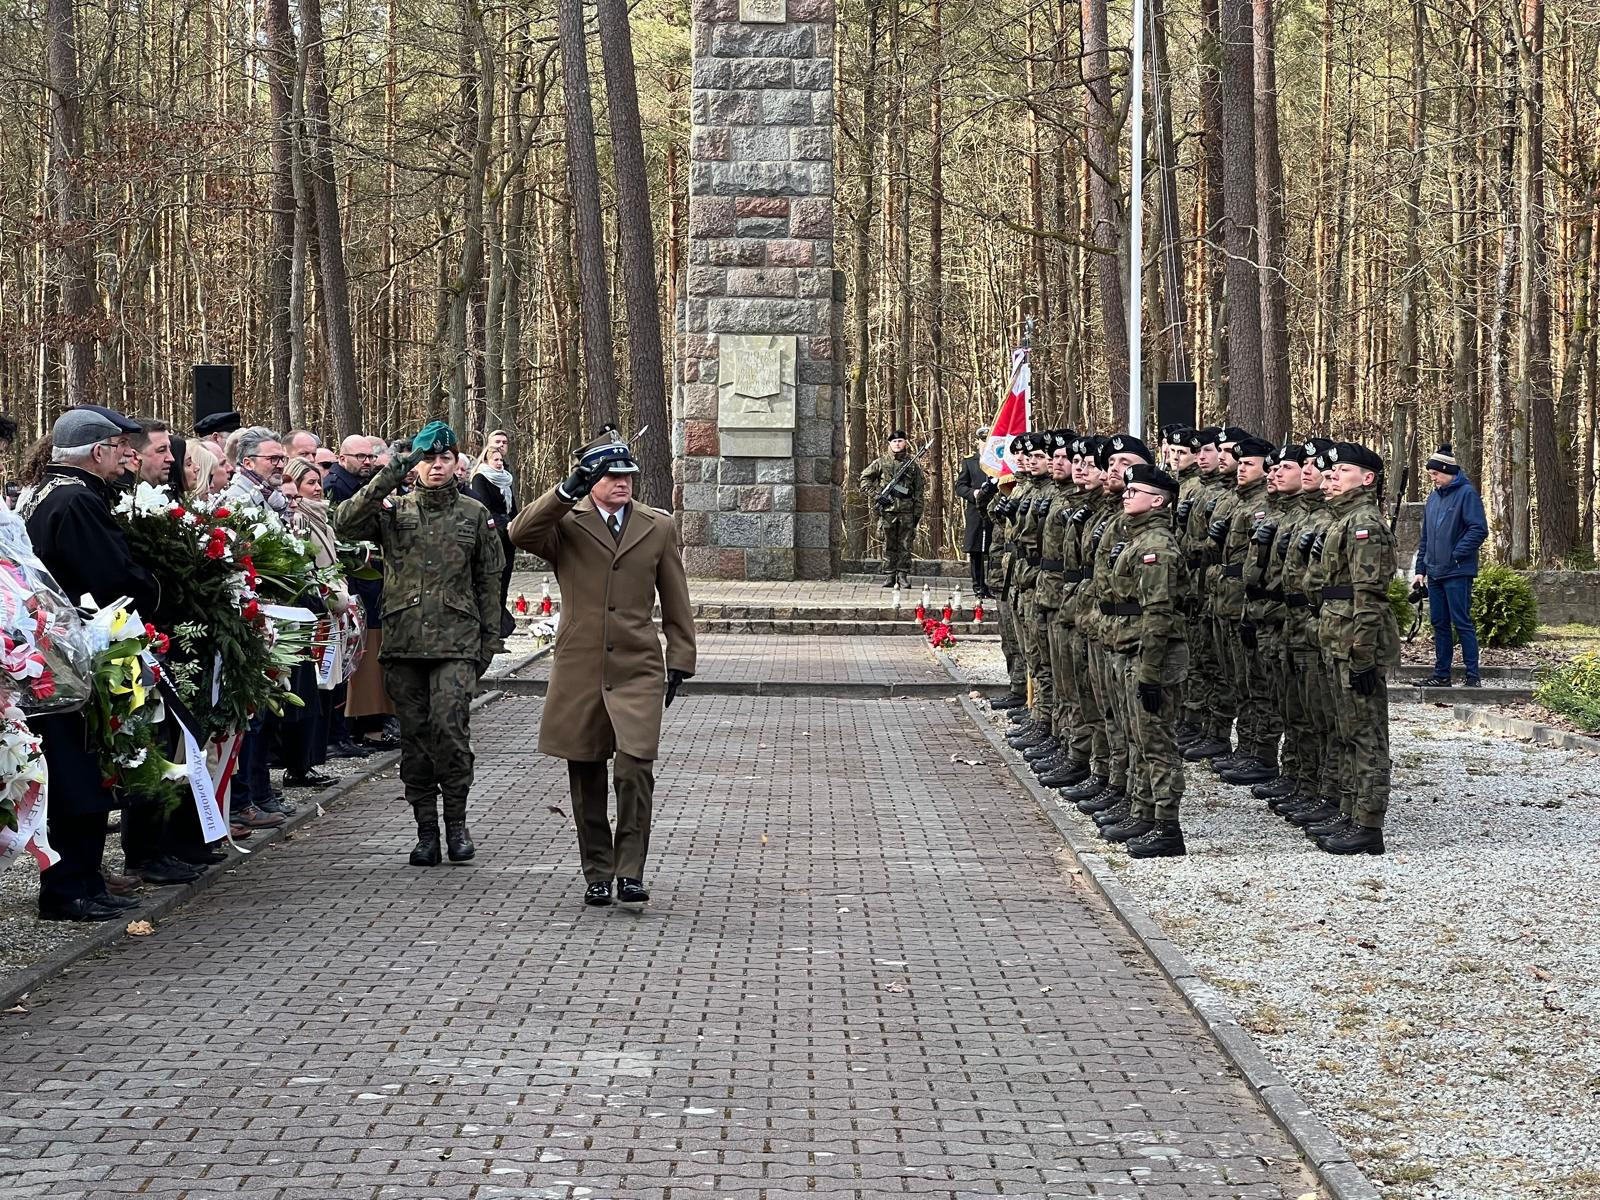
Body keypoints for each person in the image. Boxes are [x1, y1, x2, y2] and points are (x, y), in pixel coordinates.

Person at [508, 431, 697, 908]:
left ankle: (630, 871)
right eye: (611, 476)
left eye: (627, 476)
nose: (622, 483)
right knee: (586, 770)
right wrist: (566, 490)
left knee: (634, 769)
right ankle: (597, 871)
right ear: (591, 480)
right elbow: (520, 532)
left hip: (637, 664)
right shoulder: (567, 524)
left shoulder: (657, 526)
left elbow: (676, 597)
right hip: (581, 665)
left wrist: (680, 658)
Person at [336, 423, 504, 865]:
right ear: (416, 464)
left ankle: (457, 825)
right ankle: (426, 831)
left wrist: (488, 642)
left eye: (444, 459)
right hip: (405, 642)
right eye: (427, 459)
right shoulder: (393, 509)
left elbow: (490, 581)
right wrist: (393, 470)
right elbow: (346, 521)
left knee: (450, 731)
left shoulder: (472, 513)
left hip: (457, 643)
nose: (436, 466)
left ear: (455, 464)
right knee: (415, 739)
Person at [19, 405, 161, 921]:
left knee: (85, 766)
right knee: (78, 772)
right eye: (121, 449)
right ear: (97, 452)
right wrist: (153, 590)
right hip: (74, 654)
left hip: (57, 652)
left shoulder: (48, 491)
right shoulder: (77, 499)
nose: (129, 457)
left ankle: (87, 877)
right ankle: (68, 887)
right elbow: (108, 576)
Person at [1308, 441, 1401, 855]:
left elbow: (1369, 597)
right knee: (1345, 732)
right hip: (1337, 639)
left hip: (1356, 645)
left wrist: (1363, 654)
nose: (1331, 478)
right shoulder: (1339, 521)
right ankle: (1348, 811)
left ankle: (1367, 824)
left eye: (1341, 472)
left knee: (1366, 735)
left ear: (1366, 479)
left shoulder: (1365, 524)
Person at [1101, 462, 1188, 857]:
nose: (1125, 495)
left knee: (1156, 741)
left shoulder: (1157, 547)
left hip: (1152, 655)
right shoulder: (1137, 539)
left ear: (1157, 500)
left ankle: (1167, 826)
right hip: (1130, 647)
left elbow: (1158, 615)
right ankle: (1144, 812)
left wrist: (1151, 673)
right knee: (1137, 736)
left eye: (1134, 492)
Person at [325, 435, 393, 753]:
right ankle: (360, 726)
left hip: (371, 583)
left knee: (369, 656)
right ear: (342, 457)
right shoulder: (338, 486)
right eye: (360, 456)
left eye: (370, 457)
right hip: (356, 583)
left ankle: (370, 725)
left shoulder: (360, 485)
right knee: (359, 657)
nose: (367, 462)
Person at [1412, 443, 1488, 687]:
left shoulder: (1467, 494)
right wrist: (1420, 570)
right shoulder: (1433, 498)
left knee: (1462, 621)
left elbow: (1478, 529)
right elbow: (1425, 537)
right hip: (1434, 572)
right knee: (1439, 623)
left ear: (1447, 470)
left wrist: (1456, 554)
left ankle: (1472, 675)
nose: (1433, 478)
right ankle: (1441, 674)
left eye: (1435, 474)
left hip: (1457, 571)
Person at [859, 430, 924, 587]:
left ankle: (902, 575)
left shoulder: (912, 466)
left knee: (905, 544)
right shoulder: (881, 462)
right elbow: (864, 479)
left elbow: (919, 492)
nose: (897, 444)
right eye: (894, 442)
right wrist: (877, 495)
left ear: (905, 443)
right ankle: (889, 575)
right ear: (889, 444)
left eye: (900, 441)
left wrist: (917, 514)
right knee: (888, 543)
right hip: (887, 511)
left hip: (907, 511)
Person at [466, 445, 518, 633]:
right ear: (486, 461)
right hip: (493, 534)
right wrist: (504, 523)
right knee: (494, 580)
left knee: (505, 579)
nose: (499, 463)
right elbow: (484, 507)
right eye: (495, 460)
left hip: (508, 535)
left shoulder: (507, 479)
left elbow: (512, 508)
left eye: (501, 460)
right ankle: (491, 625)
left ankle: (499, 624)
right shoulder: (480, 478)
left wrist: (516, 523)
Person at [954, 429, 997, 599]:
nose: (985, 444)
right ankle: (978, 585)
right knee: (976, 549)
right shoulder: (970, 462)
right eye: (982, 441)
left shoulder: (997, 461)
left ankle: (993, 584)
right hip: (975, 511)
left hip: (995, 510)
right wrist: (974, 493)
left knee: (994, 549)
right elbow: (960, 486)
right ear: (978, 442)